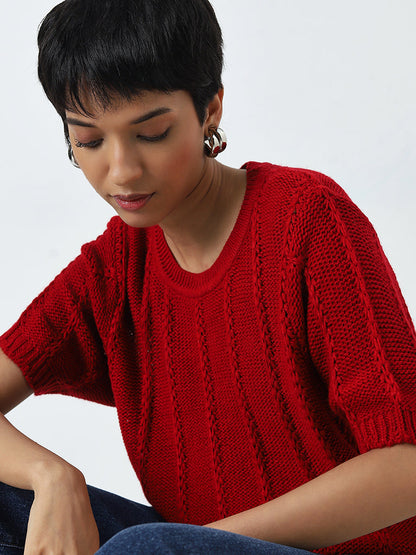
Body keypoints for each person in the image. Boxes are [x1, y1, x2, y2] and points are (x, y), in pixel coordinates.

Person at [1, 0, 416, 553]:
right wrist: (53, 478)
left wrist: (190, 545)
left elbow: (407, 466)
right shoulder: (115, 268)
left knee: (144, 548)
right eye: (91, 140)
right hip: (179, 546)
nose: (120, 170)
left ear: (210, 109)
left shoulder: (307, 221)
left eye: (151, 133)